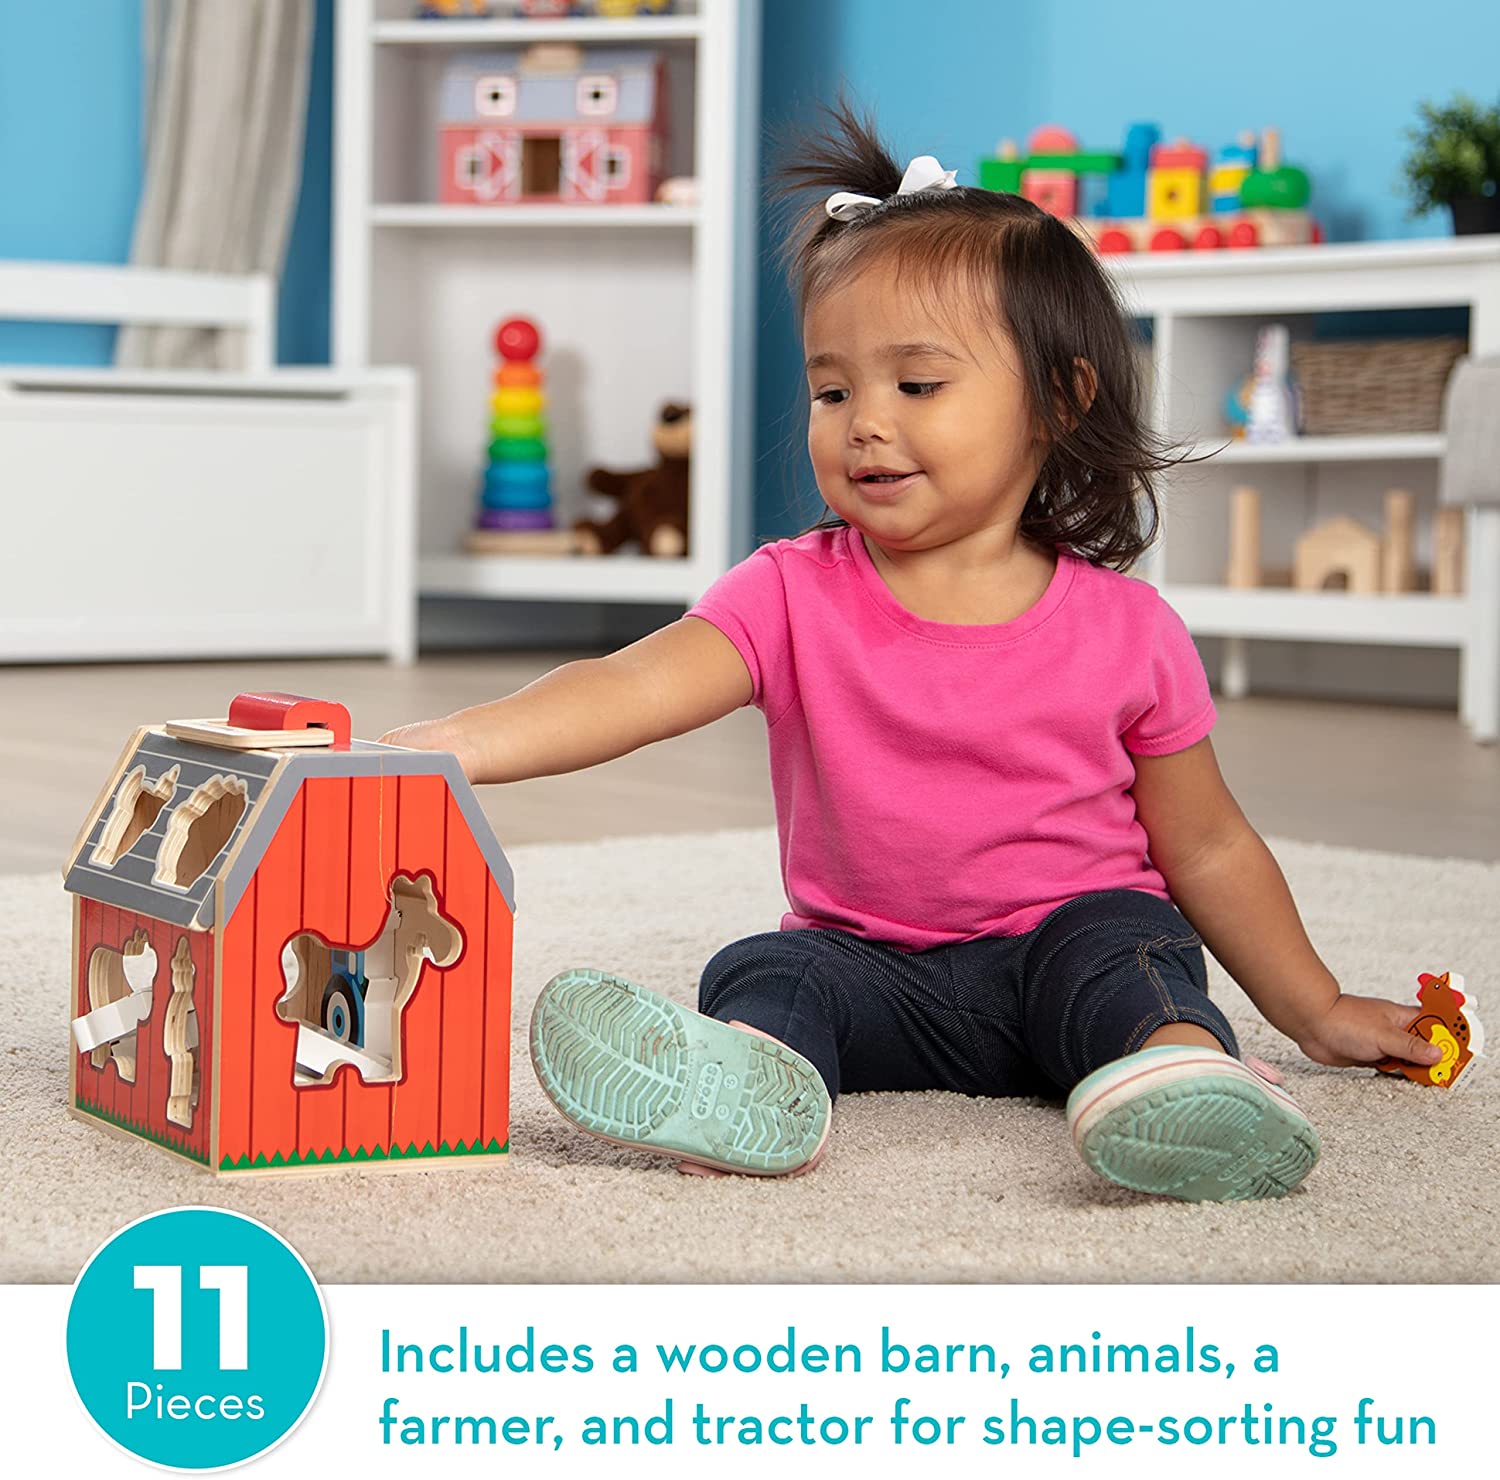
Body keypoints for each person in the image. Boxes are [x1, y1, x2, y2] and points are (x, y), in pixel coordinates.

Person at [382, 101, 1442, 1201]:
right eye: (832, 389)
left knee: (1135, 956)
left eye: (917, 385)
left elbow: (1209, 847)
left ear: (1059, 401)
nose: (864, 422)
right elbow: (630, 684)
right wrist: (456, 744)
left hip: (1066, 951)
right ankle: (753, 1085)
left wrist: (1315, 1008)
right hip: (872, 969)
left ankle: (1180, 1076)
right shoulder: (789, 592)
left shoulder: (1131, 631)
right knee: (766, 967)